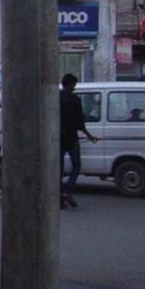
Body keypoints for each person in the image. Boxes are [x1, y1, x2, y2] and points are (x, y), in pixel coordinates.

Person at [60, 73, 98, 209]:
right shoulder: (75, 99)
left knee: (59, 168)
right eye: (74, 85)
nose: (75, 87)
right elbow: (80, 122)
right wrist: (90, 135)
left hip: (58, 138)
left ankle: (60, 197)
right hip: (71, 138)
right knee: (76, 165)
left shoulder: (55, 97)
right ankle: (67, 190)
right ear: (70, 84)